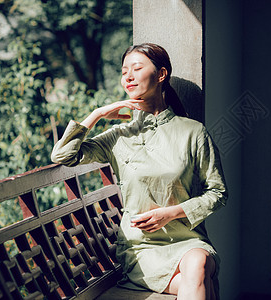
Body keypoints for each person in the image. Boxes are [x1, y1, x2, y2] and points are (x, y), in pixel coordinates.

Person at [51, 43, 227, 300]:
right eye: (124, 71)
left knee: (198, 264)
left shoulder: (193, 132)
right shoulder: (118, 136)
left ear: (161, 74)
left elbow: (218, 192)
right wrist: (98, 114)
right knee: (202, 284)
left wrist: (171, 213)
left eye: (137, 68)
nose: (128, 77)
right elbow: (63, 155)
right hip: (141, 247)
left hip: (189, 240)